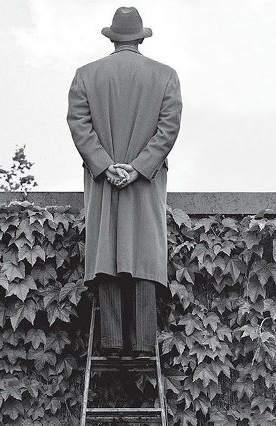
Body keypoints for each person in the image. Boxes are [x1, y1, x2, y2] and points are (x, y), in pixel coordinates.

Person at [67, 6, 182, 357]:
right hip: (144, 182)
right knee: (145, 252)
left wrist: (105, 166)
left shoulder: (86, 75)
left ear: (113, 37)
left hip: (104, 181)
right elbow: (168, 129)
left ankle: (112, 340)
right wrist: (138, 168)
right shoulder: (165, 75)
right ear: (140, 37)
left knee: (106, 250)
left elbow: (79, 126)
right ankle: (145, 341)